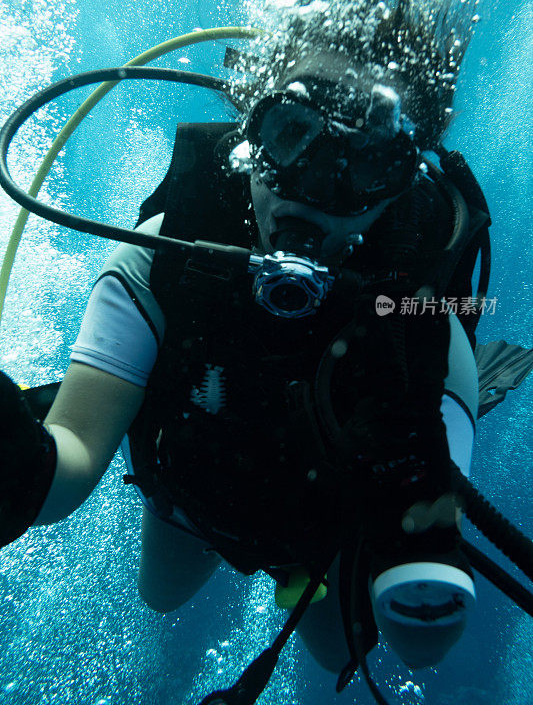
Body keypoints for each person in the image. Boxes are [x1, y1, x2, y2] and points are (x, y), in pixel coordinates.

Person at [1, 41, 489, 682]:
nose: (316, 188)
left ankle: (299, 578)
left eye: (368, 161)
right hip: (192, 503)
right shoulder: (162, 263)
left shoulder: (420, 327)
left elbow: (422, 641)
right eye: (293, 135)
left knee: (340, 655)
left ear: (400, 185)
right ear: (250, 139)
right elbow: (68, 462)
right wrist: (19, 464)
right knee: (160, 596)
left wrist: (420, 550)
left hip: (321, 541)